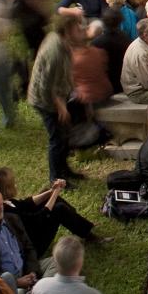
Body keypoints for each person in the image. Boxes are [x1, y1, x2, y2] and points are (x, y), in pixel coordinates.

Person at [30, 11, 86, 184]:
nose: (81, 29)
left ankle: (65, 170)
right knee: (57, 139)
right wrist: (60, 106)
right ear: (68, 29)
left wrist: (74, 88)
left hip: (59, 95)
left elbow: (65, 72)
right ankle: (56, 178)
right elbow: (47, 86)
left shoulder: (63, 42)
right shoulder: (54, 50)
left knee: (64, 135)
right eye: (77, 26)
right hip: (44, 101)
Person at [0, 167, 104, 253]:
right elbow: (40, 217)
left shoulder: (5, 202)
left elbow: (25, 204)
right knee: (59, 209)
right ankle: (87, 234)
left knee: (47, 194)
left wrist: (51, 191)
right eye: (13, 183)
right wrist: (56, 192)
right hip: (33, 247)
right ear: (7, 188)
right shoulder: (8, 212)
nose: (16, 185)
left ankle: (78, 222)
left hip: (31, 231)